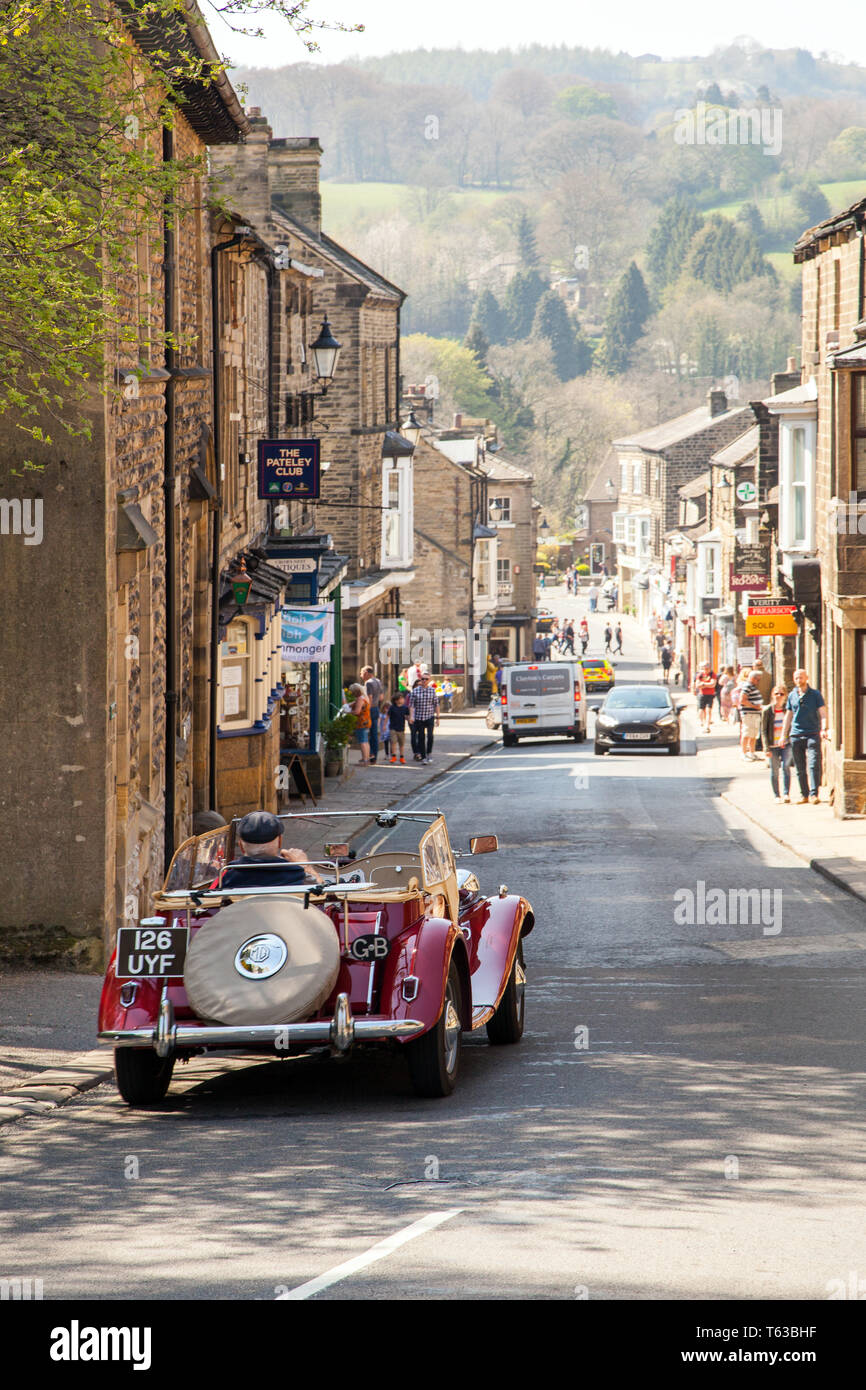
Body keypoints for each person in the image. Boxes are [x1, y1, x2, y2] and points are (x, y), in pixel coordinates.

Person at [218, 811, 323, 889]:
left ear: (240, 846)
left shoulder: (228, 877)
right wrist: (305, 865)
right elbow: (321, 891)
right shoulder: (297, 875)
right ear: (280, 842)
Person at [782, 669, 828, 804]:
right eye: (796, 678)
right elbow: (788, 715)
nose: (798, 680)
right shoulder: (792, 695)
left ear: (806, 678)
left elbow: (823, 712)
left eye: (801, 677)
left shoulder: (815, 694)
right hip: (796, 734)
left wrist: (824, 728)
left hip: (812, 733)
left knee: (813, 764)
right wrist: (783, 735)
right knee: (800, 767)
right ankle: (804, 795)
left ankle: (814, 794)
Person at [763, 685, 792, 803]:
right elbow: (763, 730)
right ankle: (777, 795)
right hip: (773, 745)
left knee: (786, 767)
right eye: (776, 694)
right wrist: (766, 748)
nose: (779, 696)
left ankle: (786, 794)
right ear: (772, 695)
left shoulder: (788, 710)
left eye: (781, 694)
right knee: (774, 770)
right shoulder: (767, 711)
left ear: (785, 696)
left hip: (786, 744)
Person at [409, 672, 440, 764]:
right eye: (423, 679)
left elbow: (436, 704)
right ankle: (423, 757)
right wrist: (411, 716)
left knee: (430, 736)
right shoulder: (415, 691)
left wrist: (438, 717)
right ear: (420, 679)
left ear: (429, 680)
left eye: (426, 679)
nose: (424, 681)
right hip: (419, 717)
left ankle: (429, 753)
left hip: (429, 716)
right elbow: (411, 705)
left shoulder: (432, 690)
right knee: (421, 737)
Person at [737, 667, 763, 761]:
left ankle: (752, 752)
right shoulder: (747, 686)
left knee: (753, 734)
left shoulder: (751, 686)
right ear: (753, 678)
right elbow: (742, 700)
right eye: (758, 679)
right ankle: (744, 753)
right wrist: (755, 706)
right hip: (749, 713)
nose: (758, 681)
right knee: (747, 733)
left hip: (754, 714)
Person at [361, 665, 383, 764]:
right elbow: (381, 697)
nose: (361, 675)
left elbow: (369, 698)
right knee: (374, 733)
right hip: (376, 708)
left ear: (366, 673)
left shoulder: (368, 683)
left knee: (366, 733)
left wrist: (365, 710)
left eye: (361, 673)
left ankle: (370, 754)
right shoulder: (378, 681)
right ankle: (374, 757)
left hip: (369, 709)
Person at [349, 682, 372, 765]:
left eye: (352, 692)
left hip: (361, 722)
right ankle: (366, 759)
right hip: (367, 721)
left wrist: (348, 712)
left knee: (362, 741)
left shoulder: (360, 699)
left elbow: (357, 711)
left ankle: (364, 760)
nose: (351, 693)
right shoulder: (365, 697)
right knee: (366, 741)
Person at [693, 664, 717, 733]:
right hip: (702, 694)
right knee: (701, 710)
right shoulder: (700, 675)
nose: (706, 670)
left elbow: (713, 684)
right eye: (704, 669)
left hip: (710, 695)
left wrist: (703, 684)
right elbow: (697, 685)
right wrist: (707, 684)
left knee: (708, 710)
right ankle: (702, 722)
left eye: (707, 668)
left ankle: (707, 725)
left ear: (709, 668)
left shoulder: (712, 674)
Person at [388, 692, 409, 763]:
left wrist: (410, 719)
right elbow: (387, 716)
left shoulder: (405, 708)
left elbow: (407, 716)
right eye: (400, 699)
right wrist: (384, 725)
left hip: (401, 728)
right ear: (396, 700)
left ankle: (402, 757)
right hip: (393, 728)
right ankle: (393, 756)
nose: (402, 700)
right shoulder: (392, 708)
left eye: (402, 698)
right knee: (393, 742)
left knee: (401, 744)